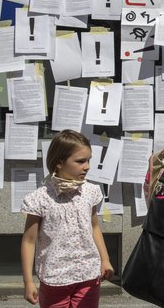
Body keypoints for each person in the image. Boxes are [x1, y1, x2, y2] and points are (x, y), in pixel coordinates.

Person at [21, 130, 115, 308]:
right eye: (80, 161)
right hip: (55, 278)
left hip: (88, 275)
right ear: (59, 163)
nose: (87, 166)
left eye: (88, 160)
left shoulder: (91, 192)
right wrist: (28, 281)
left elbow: (94, 227)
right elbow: (29, 241)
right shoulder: (39, 199)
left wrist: (105, 259)